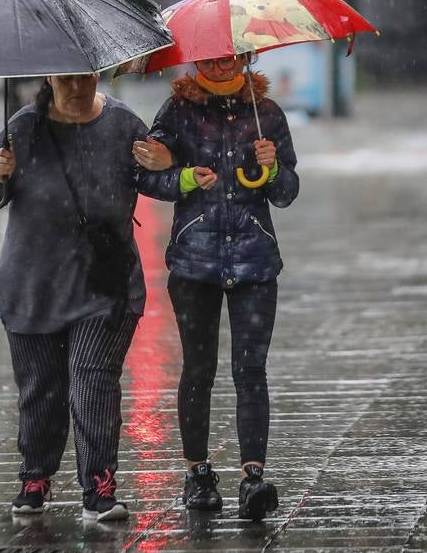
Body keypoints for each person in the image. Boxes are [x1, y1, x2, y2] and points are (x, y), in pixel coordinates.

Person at [0, 73, 173, 522]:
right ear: (49, 76)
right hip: (33, 284)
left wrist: (166, 163)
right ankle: (35, 477)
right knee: (41, 390)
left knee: (91, 383)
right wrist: (0, 175)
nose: (77, 84)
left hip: (103, 285)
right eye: (66, 76)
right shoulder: (22, 127)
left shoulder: (122, 124)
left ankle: (99, 487)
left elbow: (161, 182)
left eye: (85, 74)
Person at [138, 53, 298, 521]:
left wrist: (272, 169)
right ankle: (198, 474)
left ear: (246, 55)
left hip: (255, 262)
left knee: (251, 370)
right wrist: (184, 178)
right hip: (194, 264)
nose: (224, 64)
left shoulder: (265, 113)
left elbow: (287, 192)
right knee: (198, 369)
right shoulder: (176, 111)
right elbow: (148, 175)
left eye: (232, 56)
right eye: (213, 56)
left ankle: (254, 477)